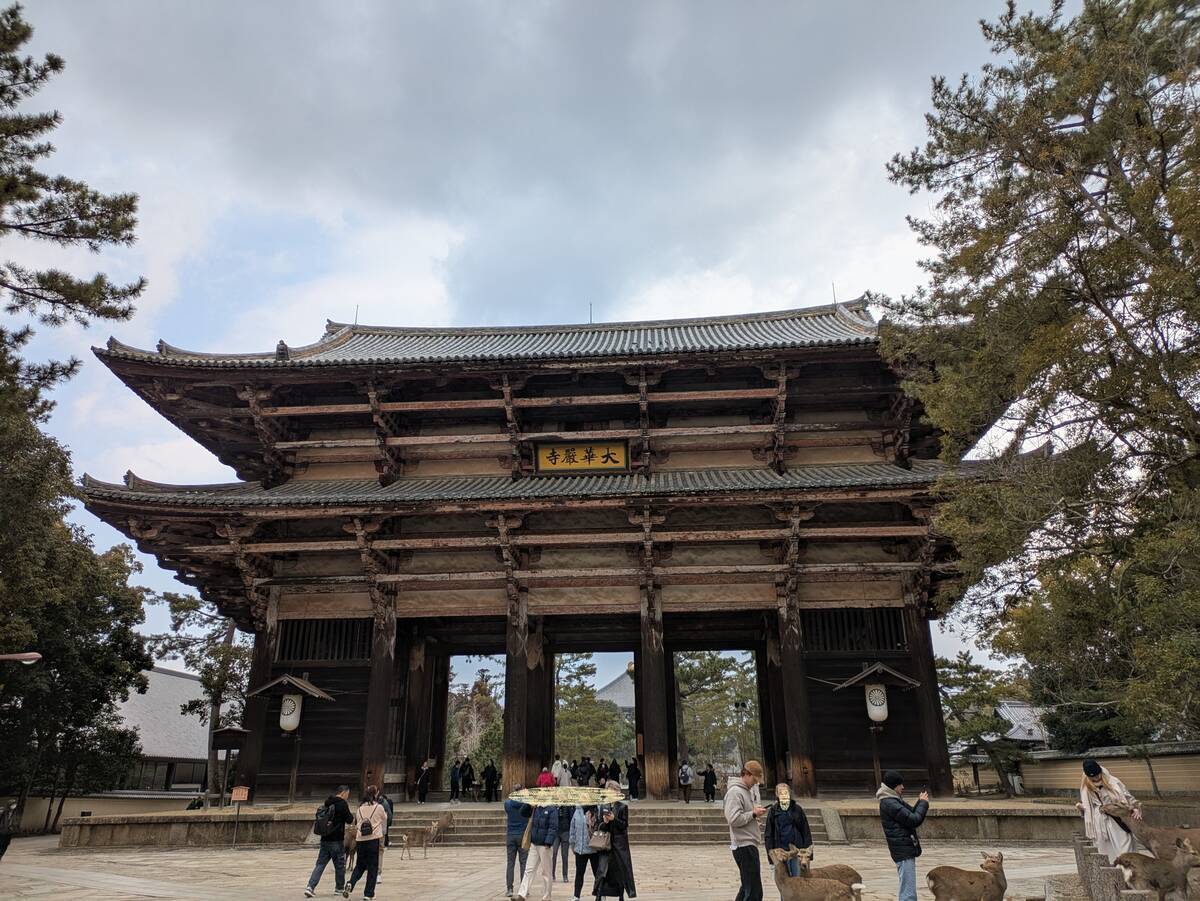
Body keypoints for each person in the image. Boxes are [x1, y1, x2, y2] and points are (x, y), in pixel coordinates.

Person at [877, 769, 929, 901]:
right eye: (900, 784)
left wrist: (920, 801)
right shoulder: (890, 803)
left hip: (903, 846)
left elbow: (910, 813)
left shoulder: (892, 799)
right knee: (908, 887)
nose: (903, 787)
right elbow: (914, 820)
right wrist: (923, 803)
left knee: (907, 883)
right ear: (894, 786)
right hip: (902, 848)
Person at [1077, 758, 1142, 862]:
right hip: (1100, 821)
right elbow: (1087, 806)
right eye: (1092, 777)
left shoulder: (1113, 782)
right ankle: (1112, 874)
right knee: (1105, 850)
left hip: (1117, 817)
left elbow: (1127, 797)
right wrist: (1081, 808)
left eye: (1097, 775)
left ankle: (1129, 870)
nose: (1096, 778)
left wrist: (1135, 808)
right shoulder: (1085, 786)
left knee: (1124, 846)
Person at [724, 760, 767, 901]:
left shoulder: (745, 791)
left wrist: (754, 816)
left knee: (747, 887)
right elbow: (734, 819)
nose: (755, 783)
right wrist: (753, 814)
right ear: (747, 774)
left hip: (747, 843)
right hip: (743, 844)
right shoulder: (735, 792)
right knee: (754, 891)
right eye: (754, 779)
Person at [304, 784, 354, 898]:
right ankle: (339, 888)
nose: (347, 796)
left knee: (320, 864)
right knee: (340, 865)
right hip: (337, 839)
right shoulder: (342, 804)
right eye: (347, 794)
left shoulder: (327, 802)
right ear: (343, 793)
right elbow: (350, 819)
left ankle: (310, 887)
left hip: (325, 838)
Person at [764, 783, 813, 892]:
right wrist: (771, 856)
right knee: (784, 885)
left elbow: (805, 830)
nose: (784, 795)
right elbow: (769, 835)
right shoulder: (773, 811)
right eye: (781, 792)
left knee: (797, 881)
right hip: (780, 852)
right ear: (777, 794)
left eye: (786, 792)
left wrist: (809, 853)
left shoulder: (797, 809)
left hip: (796, 851)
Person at [592, 780, 636, 900]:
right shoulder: (603, 807)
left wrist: (614, 819)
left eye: (615, 791)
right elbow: (599, 827)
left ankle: (621, 896)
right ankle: (599, 895)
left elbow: (624, 825)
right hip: (605, 845)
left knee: (619, 872)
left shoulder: (622, 807)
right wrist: (605, 822)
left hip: (619, 845)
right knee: (602, 871)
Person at [345, 784, 389, 900]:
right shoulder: (378, 807)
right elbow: (385, 818)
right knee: (372, 867)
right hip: (373, 840)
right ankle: (368, 893)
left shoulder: (359, 809)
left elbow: (357, 822)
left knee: (360, 865)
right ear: (375, 794)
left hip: (360, 840)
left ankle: (350, 883)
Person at [515, 802, 559, 901]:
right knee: (529, 869)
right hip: (534, 843)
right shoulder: (536, 807)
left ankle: (547, 896)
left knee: (546, 872)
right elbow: (522, 812)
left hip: (545, 845)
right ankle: (522, 894)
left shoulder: (552, 809)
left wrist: (548, 841)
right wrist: (528, 805)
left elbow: (553, 827)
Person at [505, 784, 531, 898]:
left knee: (510, 863)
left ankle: (510, 888)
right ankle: (523, 888)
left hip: (510, 835)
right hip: (522, 835)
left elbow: (508, 802)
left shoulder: (507, 804)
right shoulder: (525, 805)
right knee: (523, 863)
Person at [570, 804, 600, 901]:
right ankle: (576, 895)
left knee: (597, 873)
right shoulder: (577, 811)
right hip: (580, 849)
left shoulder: (596, 810)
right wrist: (572, 843)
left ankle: (600, 894)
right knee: (579, 873)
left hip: (594, 848)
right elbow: (572, 828)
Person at [552, 802, 575, 885]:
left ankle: (565, 875)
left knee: (564, 855)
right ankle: (552, 874)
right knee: (553, 853)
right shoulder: (554, 806)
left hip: (565, 832)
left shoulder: (568, 806)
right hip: (556, 833)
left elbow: (571, 818)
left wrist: (570, 831)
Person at [0, 799, 18, 863]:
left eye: (15, 804)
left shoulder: (14, 813)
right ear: (9, 805)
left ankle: (1, 855)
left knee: (6, 844)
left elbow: (14, 821)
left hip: (9, 832)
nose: (14, 806)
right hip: (1, 831)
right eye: (12, 804)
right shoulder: (3, 812)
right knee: (1, 843)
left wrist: (14, 828)